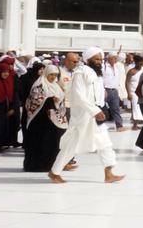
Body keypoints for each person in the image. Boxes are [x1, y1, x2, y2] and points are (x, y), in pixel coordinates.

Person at [49, 47, 124, 184]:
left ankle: (109, 173)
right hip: (84, 115)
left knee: (105, 144)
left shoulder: (96, 73)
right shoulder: (81, 72)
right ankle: (54, 172)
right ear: (88, 59)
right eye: (96, 59)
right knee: (72, 145)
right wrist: (94, 111)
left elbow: (97, 93)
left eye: (101, 59)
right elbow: (78, 95)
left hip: (96, 114)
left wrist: (101, 106)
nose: (99, 61)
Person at [22, 64, 67, 172]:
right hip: (39, 121)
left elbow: (61, 100)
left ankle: (49, 165)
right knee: (38, 142)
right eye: (51, 74)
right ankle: (36, 166)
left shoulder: (55, 85)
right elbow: (35, 100)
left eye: (55, 75)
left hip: (52, 121)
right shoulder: (39, 85)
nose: (52, 77)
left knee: (51, 143)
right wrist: (50, 99)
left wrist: (57, 100)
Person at [101, 52, 127, 131]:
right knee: (101, 108)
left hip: (114, 90)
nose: (115, 60)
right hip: (105, 90)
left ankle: (119, 126)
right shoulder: (104, 66)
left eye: (116, 58)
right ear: (109, 58)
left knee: (116, 109)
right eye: (114, 58)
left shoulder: (116, 67)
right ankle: (98, 125)